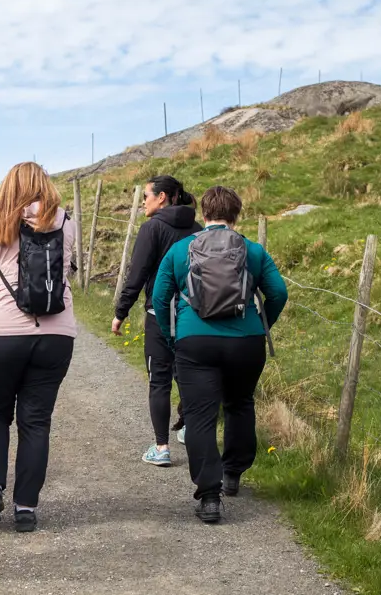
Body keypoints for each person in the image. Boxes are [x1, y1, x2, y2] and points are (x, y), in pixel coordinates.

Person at [151, 186, 287, 523]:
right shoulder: (252, 250)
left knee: (199, 416)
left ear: (204, 215)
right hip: (246, 342)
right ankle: (233, 474)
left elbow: (159, 298)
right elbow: (279, 293)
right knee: (240, 403)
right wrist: (261, 324)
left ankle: (209, 497)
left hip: (195, 342)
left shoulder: (181, 250)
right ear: (236, 215)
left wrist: (172, 338)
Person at [0, 162, 78, 533]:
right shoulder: (66, 222)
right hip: (57, 334)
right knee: (37, 421)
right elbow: (69, 271)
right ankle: (26, 507)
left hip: (2, 334)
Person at [111, 175, 201, 467]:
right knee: (189, 375)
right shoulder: (199, 229)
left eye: (147, 196)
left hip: (159, 315)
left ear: (162, 197)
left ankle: (161, 448)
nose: (144, 203)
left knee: (159, 381)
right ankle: (188, 430)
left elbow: (137, 274)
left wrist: (120, 312)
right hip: (194, 316)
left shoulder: (152, 229)